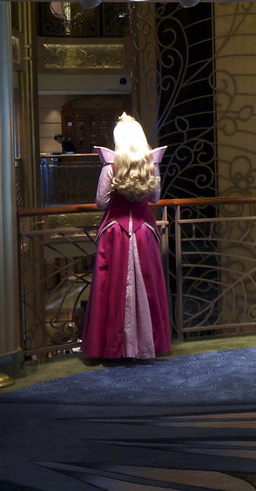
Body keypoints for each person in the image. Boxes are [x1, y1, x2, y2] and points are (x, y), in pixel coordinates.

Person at [81, 113, 171, 360]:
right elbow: (154, 199)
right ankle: (146, 345)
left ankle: (114, 348)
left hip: (115, 233)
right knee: (148, 285)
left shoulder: (111, 166)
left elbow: (102, 203)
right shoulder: (151, 164)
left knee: (113, 287)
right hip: (144, 231)